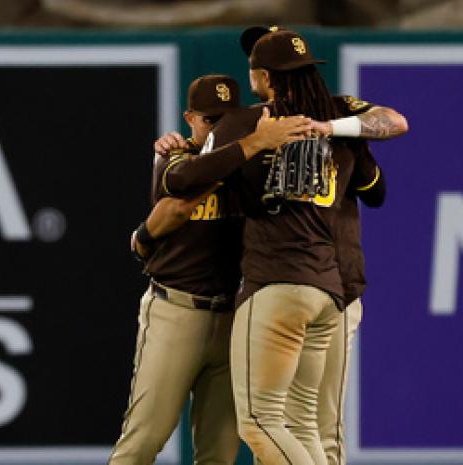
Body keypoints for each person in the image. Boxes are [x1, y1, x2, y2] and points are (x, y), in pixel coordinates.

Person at [159, 27, 407, 465]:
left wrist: (182, 153)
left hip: (278, 281)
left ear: (264, 77)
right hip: (331, 286)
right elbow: (381, 177)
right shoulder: (341, 117)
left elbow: (182, 182)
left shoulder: (247, 123)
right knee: (307, 425)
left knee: (262, 421)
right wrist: (333, 132)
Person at [111, 74, 312, 465]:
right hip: (177, 311)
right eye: (209, 120)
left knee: (219, 454)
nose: (218, 127)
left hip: (233, 316)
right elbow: (177, 203)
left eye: (226, 119)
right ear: (190, 118)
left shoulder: (250, 162)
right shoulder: (176, 155)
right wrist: (246, 149)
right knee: (142, 441)